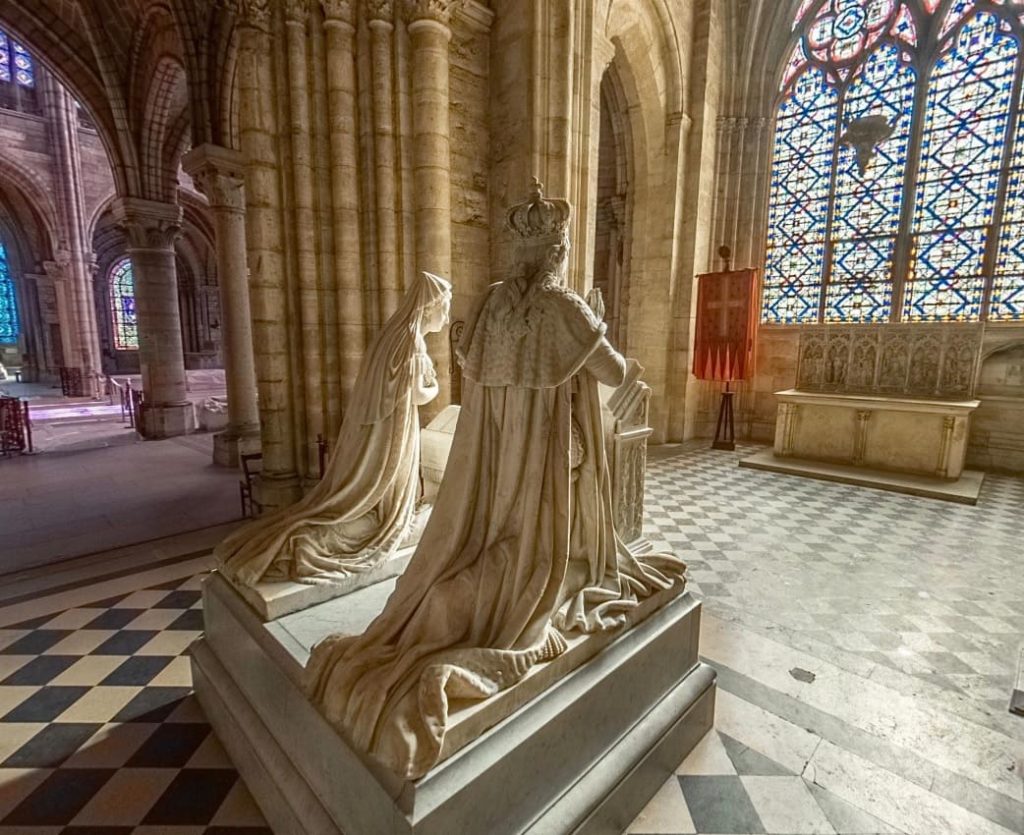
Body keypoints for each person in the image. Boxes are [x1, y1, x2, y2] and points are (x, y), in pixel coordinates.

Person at [305, 182, 685, 779]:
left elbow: (471, 365)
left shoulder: (487, 305)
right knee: (535, 564)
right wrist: (626, 362)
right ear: (558, 252)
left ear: (518, 251)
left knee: (474, 567)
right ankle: (538, 575)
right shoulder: (566, 308)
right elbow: (614, 371)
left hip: (492, 476)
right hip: (544, 471)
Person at [216, 271, 452, 587]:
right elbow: (418, 395)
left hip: (381, 433)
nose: (447, 316)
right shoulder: (412, 343)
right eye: (444, 307)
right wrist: (435, 387)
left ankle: (319, 533)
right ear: (429, 306)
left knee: (373, 502)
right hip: (394, 437)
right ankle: (304, 544)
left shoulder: (392, 335)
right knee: (383, 510)